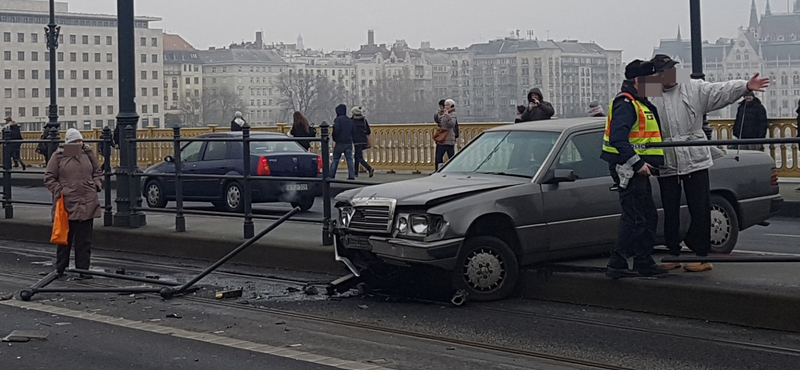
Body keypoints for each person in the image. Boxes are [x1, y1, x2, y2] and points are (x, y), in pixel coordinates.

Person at [648, 54, 770, 272]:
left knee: (700, 207)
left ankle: (702, 255)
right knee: (670, 209)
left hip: (694, 157)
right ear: (657, 75)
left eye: (674, 69)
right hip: (667, 159)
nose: (673, 74)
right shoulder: (651, 88)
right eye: (666, 71)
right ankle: (673, 254)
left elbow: (718, 90)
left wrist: (745, 86)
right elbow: (634, 105)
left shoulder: (688, 84)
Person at [600, 59, 669, 278]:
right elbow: (618, 138)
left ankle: (643, 261)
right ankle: (618, 263)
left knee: (647, 217)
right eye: (652, 80)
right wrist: (637, 163)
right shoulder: (626, 103)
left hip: (637, 170)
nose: (657, 83)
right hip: (629, 170)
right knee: (636, 218)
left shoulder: (639, 102)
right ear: (638, 81)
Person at [44, 128, 103, 279]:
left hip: (87, 200)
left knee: (85, 240)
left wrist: (96, 184)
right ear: (69, 143)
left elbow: (97, 171)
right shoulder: (59, 156)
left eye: (80, 141)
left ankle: (83, 270)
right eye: (75, 141)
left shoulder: (87, 153)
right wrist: (60, 191)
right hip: (67, 203)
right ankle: (60, 269)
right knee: (65, 239)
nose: (79, 143)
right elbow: (49, 177)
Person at [330, 104, 355, 180]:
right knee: (349, 159)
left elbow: (336, 130)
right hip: (348, 142)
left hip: (340, 142)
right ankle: (351, 176)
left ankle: (331, 175)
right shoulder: (349, 120)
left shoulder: (337, 120)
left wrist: (335, 138)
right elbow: (353, 130)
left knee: (335, 159)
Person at [351, 107, 374, 178]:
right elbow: (368, 131)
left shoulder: (352, 121)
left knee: (358, 157)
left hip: (356, 140)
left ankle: (369, 168)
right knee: (357, 156)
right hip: (363, 140)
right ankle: (356, 172)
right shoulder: (364, 120)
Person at [435, 99, 457, 170]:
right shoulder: (443, 113)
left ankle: (452, 170)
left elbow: (451, 124)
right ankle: (438, 170)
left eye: (447, 105)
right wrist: (437, 114)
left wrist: (446, 115)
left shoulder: (453, 114)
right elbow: (439, 122)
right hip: (441, 139)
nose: (446, 106)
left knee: (451, 157)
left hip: (449, 139)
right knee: (438, 157)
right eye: (445, 105)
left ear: (451, 106)